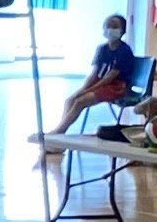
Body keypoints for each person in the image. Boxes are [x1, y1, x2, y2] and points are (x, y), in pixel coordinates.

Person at [41, 15, 139, 152]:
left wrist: (87, 91)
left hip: (117, 87)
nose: (111, 29)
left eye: (115, 26)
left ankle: (57, 133)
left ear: (123, 30)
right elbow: (94, 74)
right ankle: (60, 137)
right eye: (108, 26)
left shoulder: (124, 51)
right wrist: (82, 89)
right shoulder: (102, 49)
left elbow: (110, 78)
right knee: (70, 100)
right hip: (101, 84)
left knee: (81, 101)